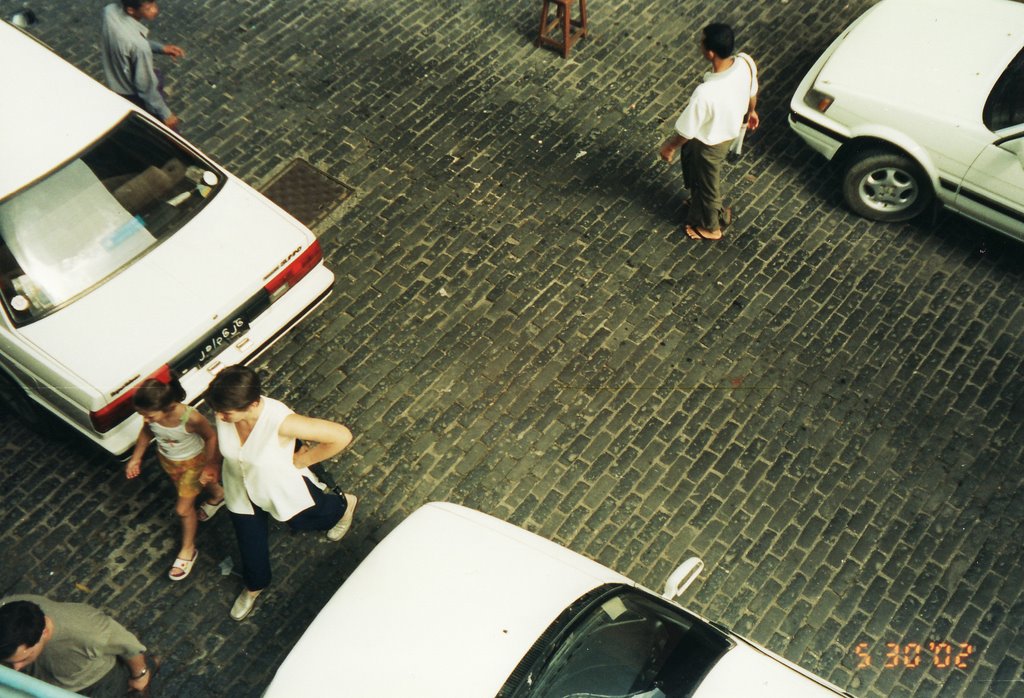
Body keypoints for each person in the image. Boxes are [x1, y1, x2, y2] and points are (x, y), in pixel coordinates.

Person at [204, 365, 359, 621]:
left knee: (307, 518)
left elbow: (341, 436)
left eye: (225, 413)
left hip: (278, 487)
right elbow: (224, 444)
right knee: (249, 541)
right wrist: (212, 463)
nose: (219, 417)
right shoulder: (226, 410)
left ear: (252, 404)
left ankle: (344, 507)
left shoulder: (280, 421)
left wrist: (303, 460)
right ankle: (254, 586)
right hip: (240, 490)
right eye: (217, 411)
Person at [659, 23, 759, 241]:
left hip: (710, 144)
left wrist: (669, 147)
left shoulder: (705, 93)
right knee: (700, 177)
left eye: (701, 42)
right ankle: (699, 206)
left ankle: (712, 227)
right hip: (728, 131)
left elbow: (686, 130)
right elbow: (752, 91)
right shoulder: (745, 63)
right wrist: (752, 111)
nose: (699, 45)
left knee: (708, 185)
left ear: (710, 52)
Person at [126, 376, 225, 581]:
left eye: (150, 416)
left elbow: (211, 437)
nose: (146, 419)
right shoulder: (151, 417)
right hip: (170, 461)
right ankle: (218, 495)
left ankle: (188, 549)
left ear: (168, 407)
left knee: (182, 509)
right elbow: (146, 431)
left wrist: (210, 464)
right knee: (197, 487)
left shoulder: (190, 418)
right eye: (141, 415)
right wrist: (136, 458)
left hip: (193, 465)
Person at [0, 595, 155, 697]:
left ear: (44, 633)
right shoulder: (7, 608)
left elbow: (129, 647)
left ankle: (152, 665)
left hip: (97, 681)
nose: (16, 668)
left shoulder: (89, 631)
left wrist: (140, 675)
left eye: (24, 658)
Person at [100, 0, 185, 130]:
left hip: (116, 81)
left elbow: (130, 42)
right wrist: (166, 114)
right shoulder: (140, 48)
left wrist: (161, 48)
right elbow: (145, 87)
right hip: (133, 94)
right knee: (167, 132)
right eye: (148, 8)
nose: (155, 10)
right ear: (131, 10)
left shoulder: (109, 11)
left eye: (154, 3)